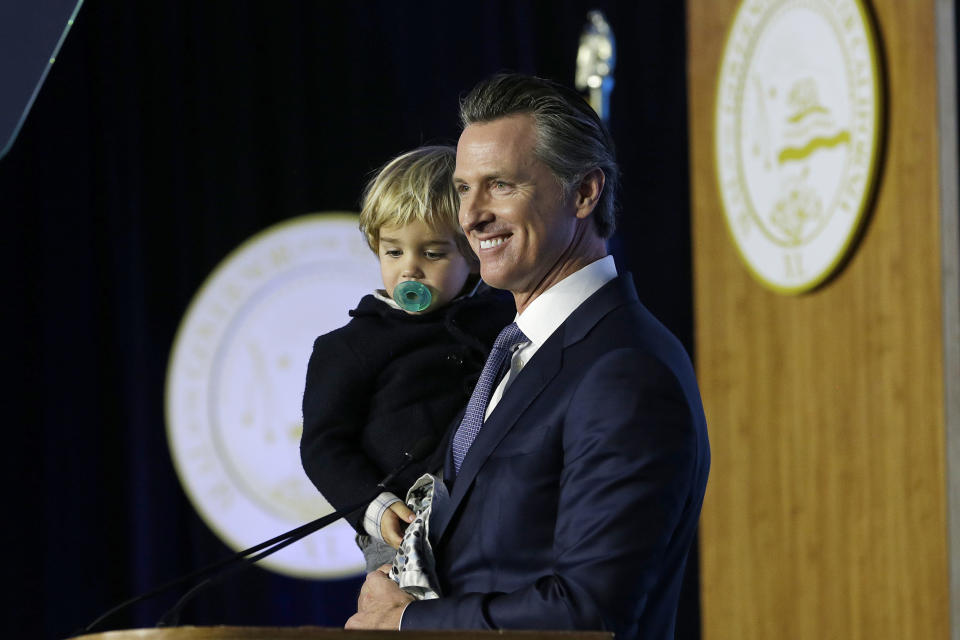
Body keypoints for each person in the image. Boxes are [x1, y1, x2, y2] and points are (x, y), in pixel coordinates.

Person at [345, 74, 710, 640]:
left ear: (584, 192)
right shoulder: (511, 352)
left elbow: (590, 614)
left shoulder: (625, 369)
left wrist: (409, 621)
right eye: (464, 188)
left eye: (500, 186)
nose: (471, 215)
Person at [300, 145, 514, 571]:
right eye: (394, 252)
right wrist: (376, 509)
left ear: (472, 256)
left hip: (493, 517)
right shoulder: (348, 346)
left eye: (432, 253)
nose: (409, 270)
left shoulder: (504, 319)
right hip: (401, 528)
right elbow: (323, 446)